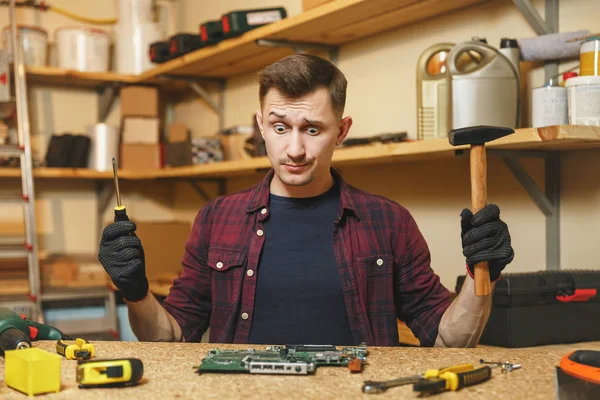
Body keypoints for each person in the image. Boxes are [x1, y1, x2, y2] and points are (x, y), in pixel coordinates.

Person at [98, 54, 513, 347]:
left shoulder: (388, 222)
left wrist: (483, 277)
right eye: (280, 127)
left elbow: (448, 337)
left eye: (312, 130)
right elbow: (170, 337)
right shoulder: (216, 219)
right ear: (261, 125)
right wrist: (135, 292)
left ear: (342, 129)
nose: (294, 149)